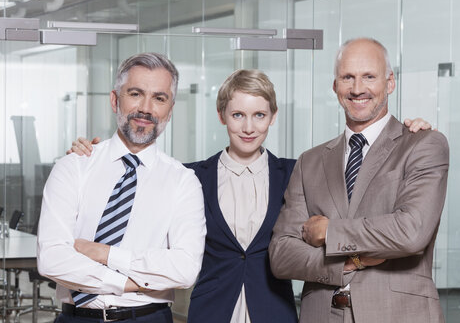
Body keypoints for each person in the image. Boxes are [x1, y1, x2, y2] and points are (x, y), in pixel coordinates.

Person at [68, 69, 432, 323]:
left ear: (273, 117)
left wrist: (409, 132)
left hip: (274, 311)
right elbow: (136, 190)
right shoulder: (188, 176)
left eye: (259, 114)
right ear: (222, 115)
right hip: (210, 311)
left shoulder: (298, 171)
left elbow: (363, 190)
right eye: (238, 114)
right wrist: (94, 152)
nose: (248, 126)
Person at [269, 37, 449, 323]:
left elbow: (411, 231)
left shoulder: (423, 145)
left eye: (369, 76)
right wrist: (351, 261)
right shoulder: (310, 161)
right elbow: (282, 254)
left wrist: (330, 232)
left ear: (390, 82)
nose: (357, 89)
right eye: (347, 77)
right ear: (335, 86)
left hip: (398, 314)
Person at [37, 52, 206, 323]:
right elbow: (52, 259)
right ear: (115, 100)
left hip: (149, 318)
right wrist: (130, 283)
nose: (147, 109)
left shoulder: (183, 182)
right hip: (77, 318)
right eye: (136, 94)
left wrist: (105, 254)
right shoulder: (74, 166)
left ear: (170, 109)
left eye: (159, 98)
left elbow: (184, 270)